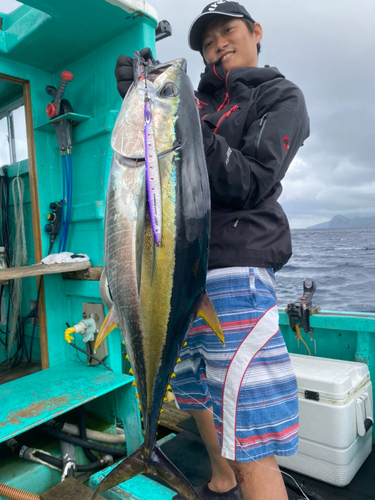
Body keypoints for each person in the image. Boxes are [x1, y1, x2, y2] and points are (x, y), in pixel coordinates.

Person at [115, 2, 309, 499]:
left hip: (234, 274)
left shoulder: (279, 96)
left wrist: (176, 123)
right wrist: (139, 101)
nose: (218, 44)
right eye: (206, 41)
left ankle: (243, 476)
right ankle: (221, 476)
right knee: (189, 384)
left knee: (248, 429)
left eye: (228, 31)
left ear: (255, 32)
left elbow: (253, 179)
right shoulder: (192, 102)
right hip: (173, 278)